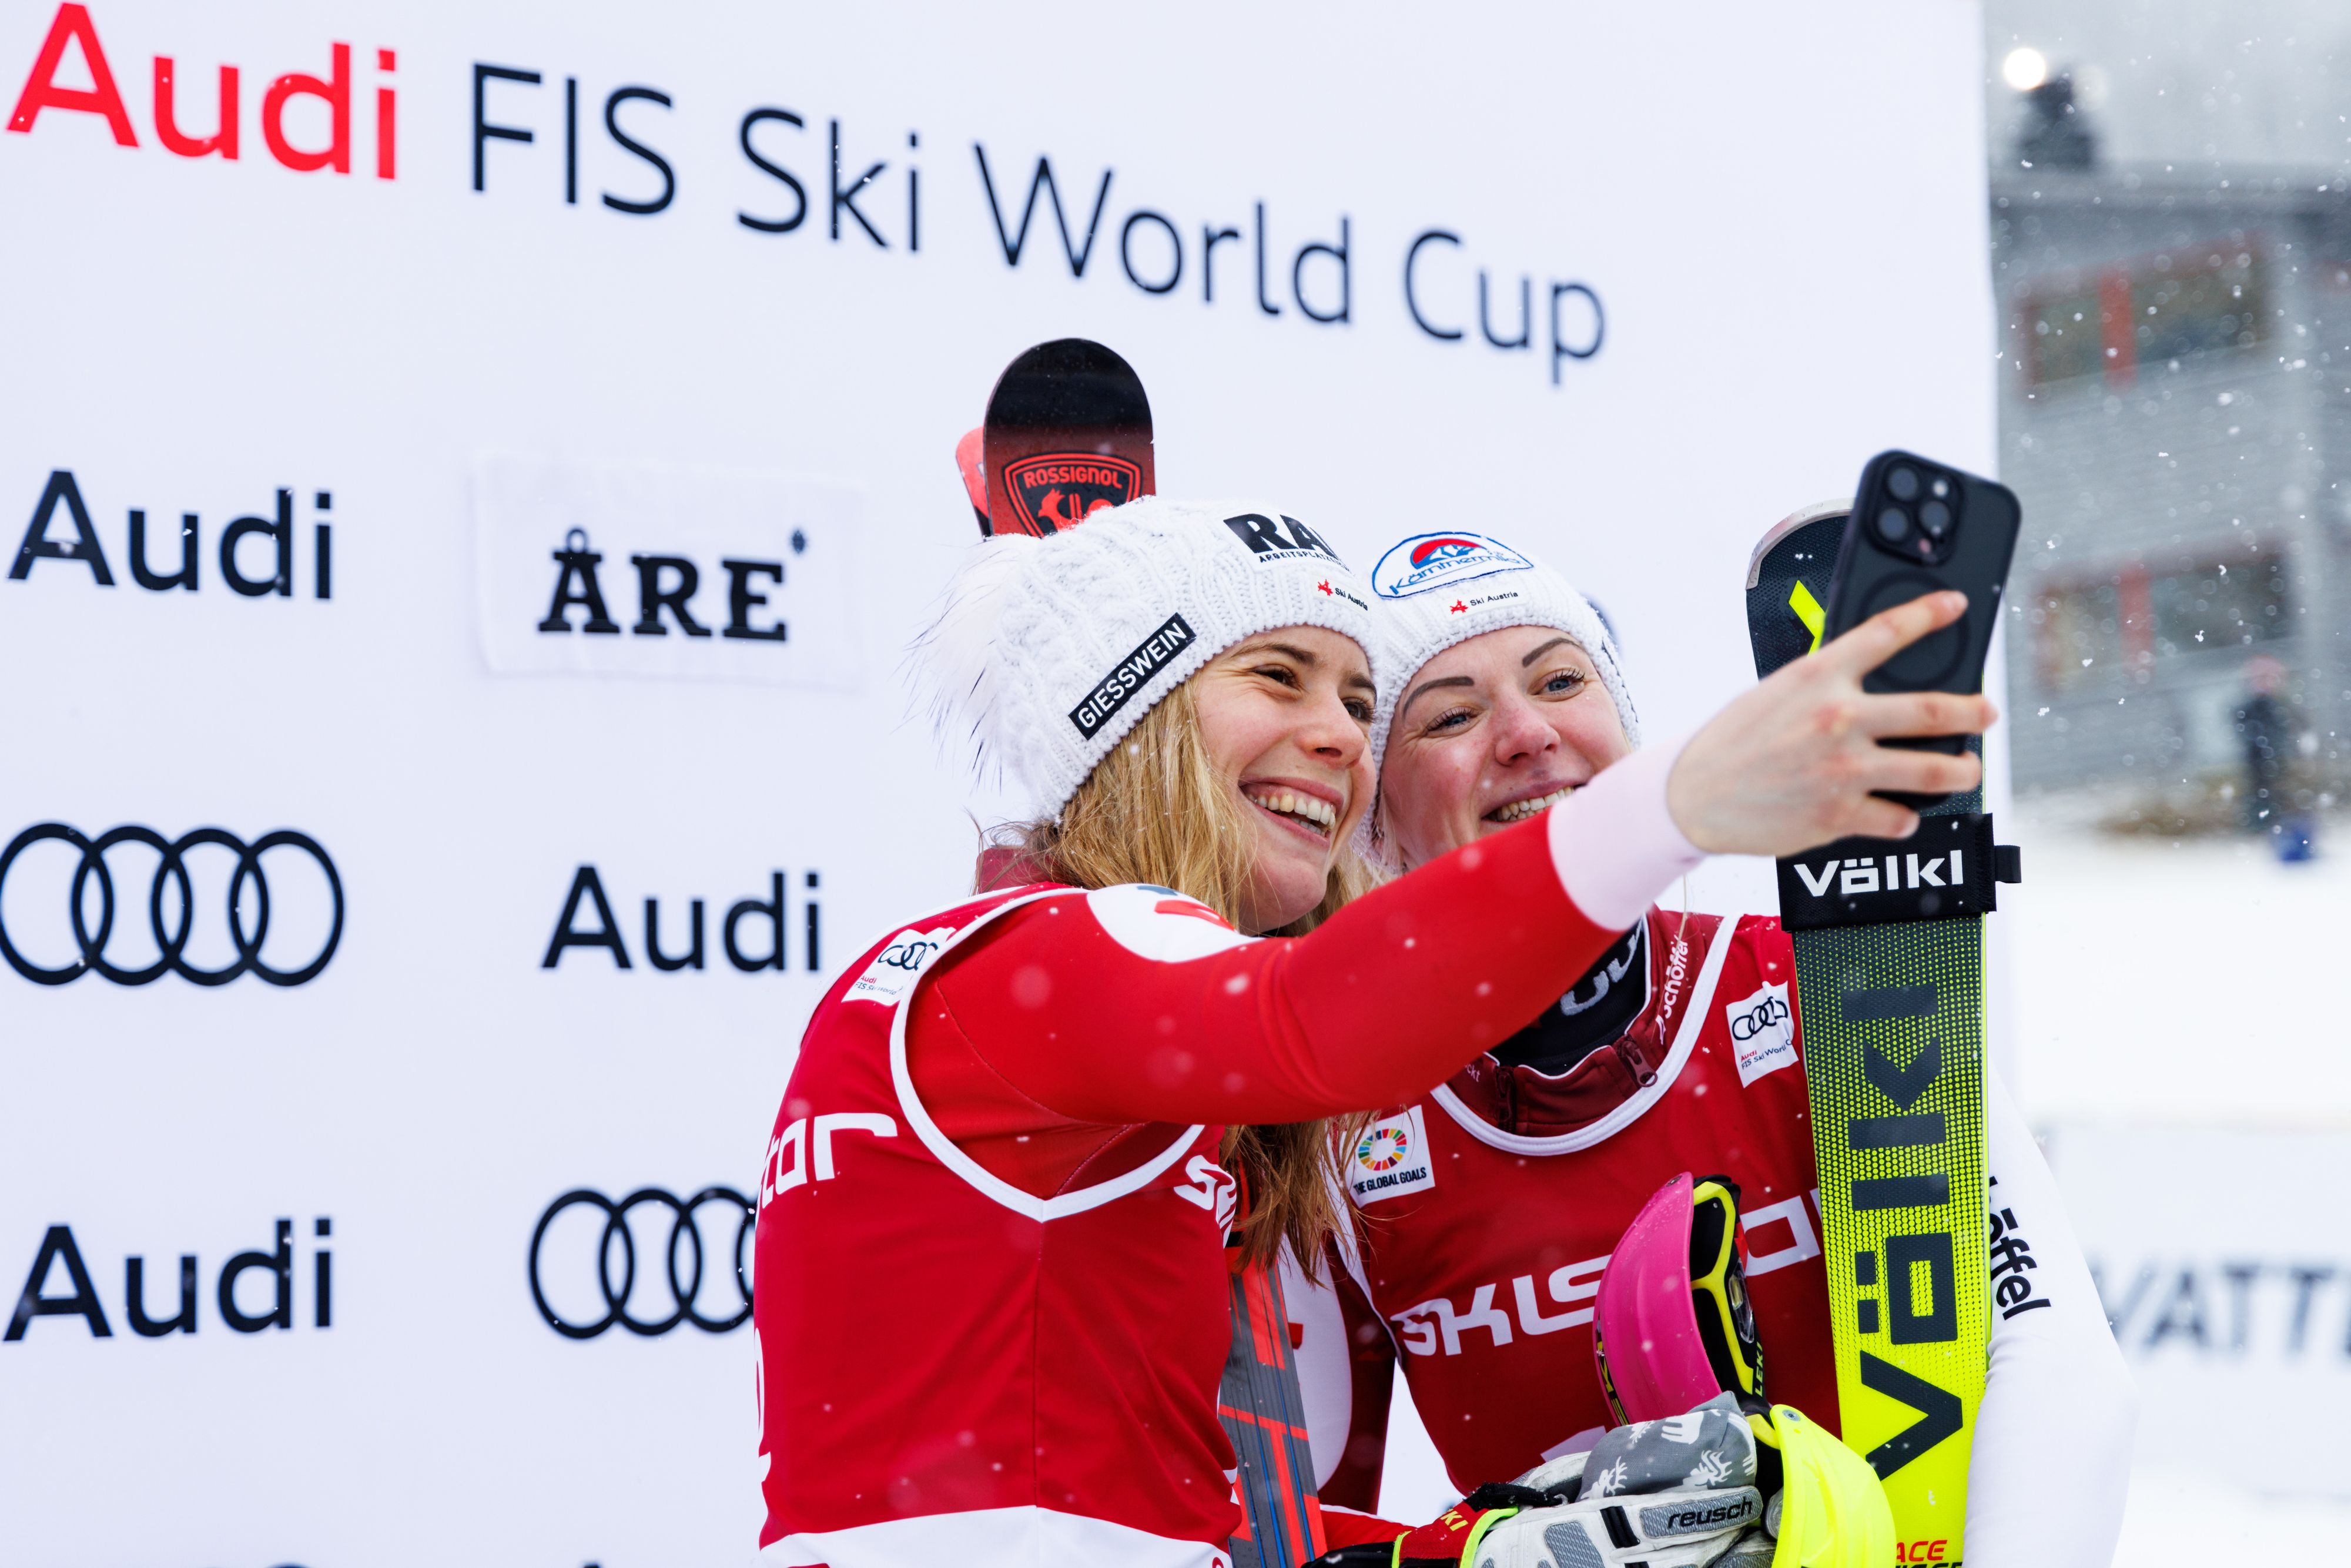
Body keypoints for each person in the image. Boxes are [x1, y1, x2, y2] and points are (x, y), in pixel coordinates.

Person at [749, 497, 1990, 1566]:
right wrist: (1675, 803)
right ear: (1131, 715)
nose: (1342, 731)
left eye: (1355, 697)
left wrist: (1492, 1546)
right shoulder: (1047, 959)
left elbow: (1215, 1518)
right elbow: (1317, 1022)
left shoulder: (1023, 1003)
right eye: (1276, 675)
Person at [1298, 531, 2135, 1566]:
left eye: (1561, 681)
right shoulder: (1337, 1131)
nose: (1527, 734)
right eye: (1451, 716)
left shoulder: (1821, 986)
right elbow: (1291, 1514)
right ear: (1378, 822)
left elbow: (2054, 1361)